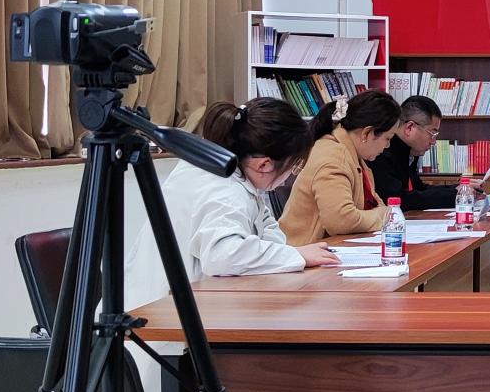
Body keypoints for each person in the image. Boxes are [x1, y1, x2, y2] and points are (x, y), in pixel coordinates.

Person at [125, 98, 339, 308]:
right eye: (292, 167)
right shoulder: (226, 190)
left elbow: (269, 231)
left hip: (160, 302)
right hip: (163, 315)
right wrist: (296, 255)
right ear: (264, 165)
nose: (289, 176)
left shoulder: (221, 171)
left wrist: (285, 254)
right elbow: (223, 256)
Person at [279, 88, 401, 244]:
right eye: (387, 138)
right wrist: (383, 216)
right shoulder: (334, 157)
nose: (388, 146)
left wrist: (382, 213)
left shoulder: (351, 153)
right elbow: (341, 220)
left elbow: (376, 205)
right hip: (305, 251)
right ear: (366, 133)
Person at [368, 94, 470, 212]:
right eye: (432, 134)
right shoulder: (381, 152)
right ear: (409, 128)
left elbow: (419, 189)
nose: (433, 142)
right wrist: (454, 195)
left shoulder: (408, 151)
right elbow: (399, 200)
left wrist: (458, 189)